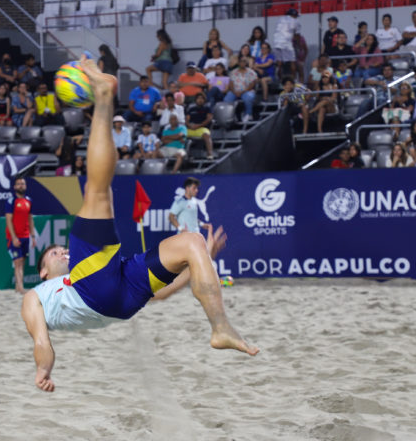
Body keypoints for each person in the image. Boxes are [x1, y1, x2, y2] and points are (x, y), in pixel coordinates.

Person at [21, 57, 258, 392]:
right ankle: (104, 97)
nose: (60, 251)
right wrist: (43, 370)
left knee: (192, 242)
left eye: (60, 248)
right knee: (98, 193)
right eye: (53, 253)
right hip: (92, 289)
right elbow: (42, 340)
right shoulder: (35, 296)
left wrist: (201, 262)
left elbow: (159, 297)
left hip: (121, 298)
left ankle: (220, 327)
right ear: (43, 272)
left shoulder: (78, 268)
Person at [6, 176, 34, 294]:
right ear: (14, 187)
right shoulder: (11, 201)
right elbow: (8, 220)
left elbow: (30, 219)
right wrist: (13, 237)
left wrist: (33, 236)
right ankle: (21, 287)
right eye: (18, 184)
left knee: (21, 262)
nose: (21, 186)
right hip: (15, 236)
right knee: (17, 262)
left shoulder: (29, 200)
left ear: (26, 186)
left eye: (22, 184)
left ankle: (18, 286)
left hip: (25, 236)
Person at [224, 55, 258, 122]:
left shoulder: (251, 72)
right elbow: (230, 84)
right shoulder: (233, 72)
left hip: (247, 91)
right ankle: (231, 116)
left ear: (246, 63)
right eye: (241, 61)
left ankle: (248, 114)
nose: (243, 63)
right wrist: (234, 92)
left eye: (244, 61)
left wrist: (242, 92)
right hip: (235, 91)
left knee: (248, 97)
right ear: (238, 63)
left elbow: (252, 84)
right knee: (227, 99)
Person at [272, 8, 301, 80]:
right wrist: (297, 45)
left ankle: (279, 80)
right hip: (286, 43)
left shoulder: (280, 19)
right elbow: (297, 36)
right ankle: (294, 81)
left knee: (279, 63)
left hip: (276, 43)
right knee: (292, 62)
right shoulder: (296, 21)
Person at [186, 93, 215, 159]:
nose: (200, 100)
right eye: (198, 98)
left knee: (206, 136)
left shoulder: (207, 108)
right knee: (181, 134)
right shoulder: (191, 109)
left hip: (202, 128)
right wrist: (190, 125)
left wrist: (198, 125)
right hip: (191, 128)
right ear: (196, 100)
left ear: (204, 100)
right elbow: (186, 120)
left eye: (202, 98)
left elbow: (209, 119)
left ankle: (210, 154)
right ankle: (183, 154)